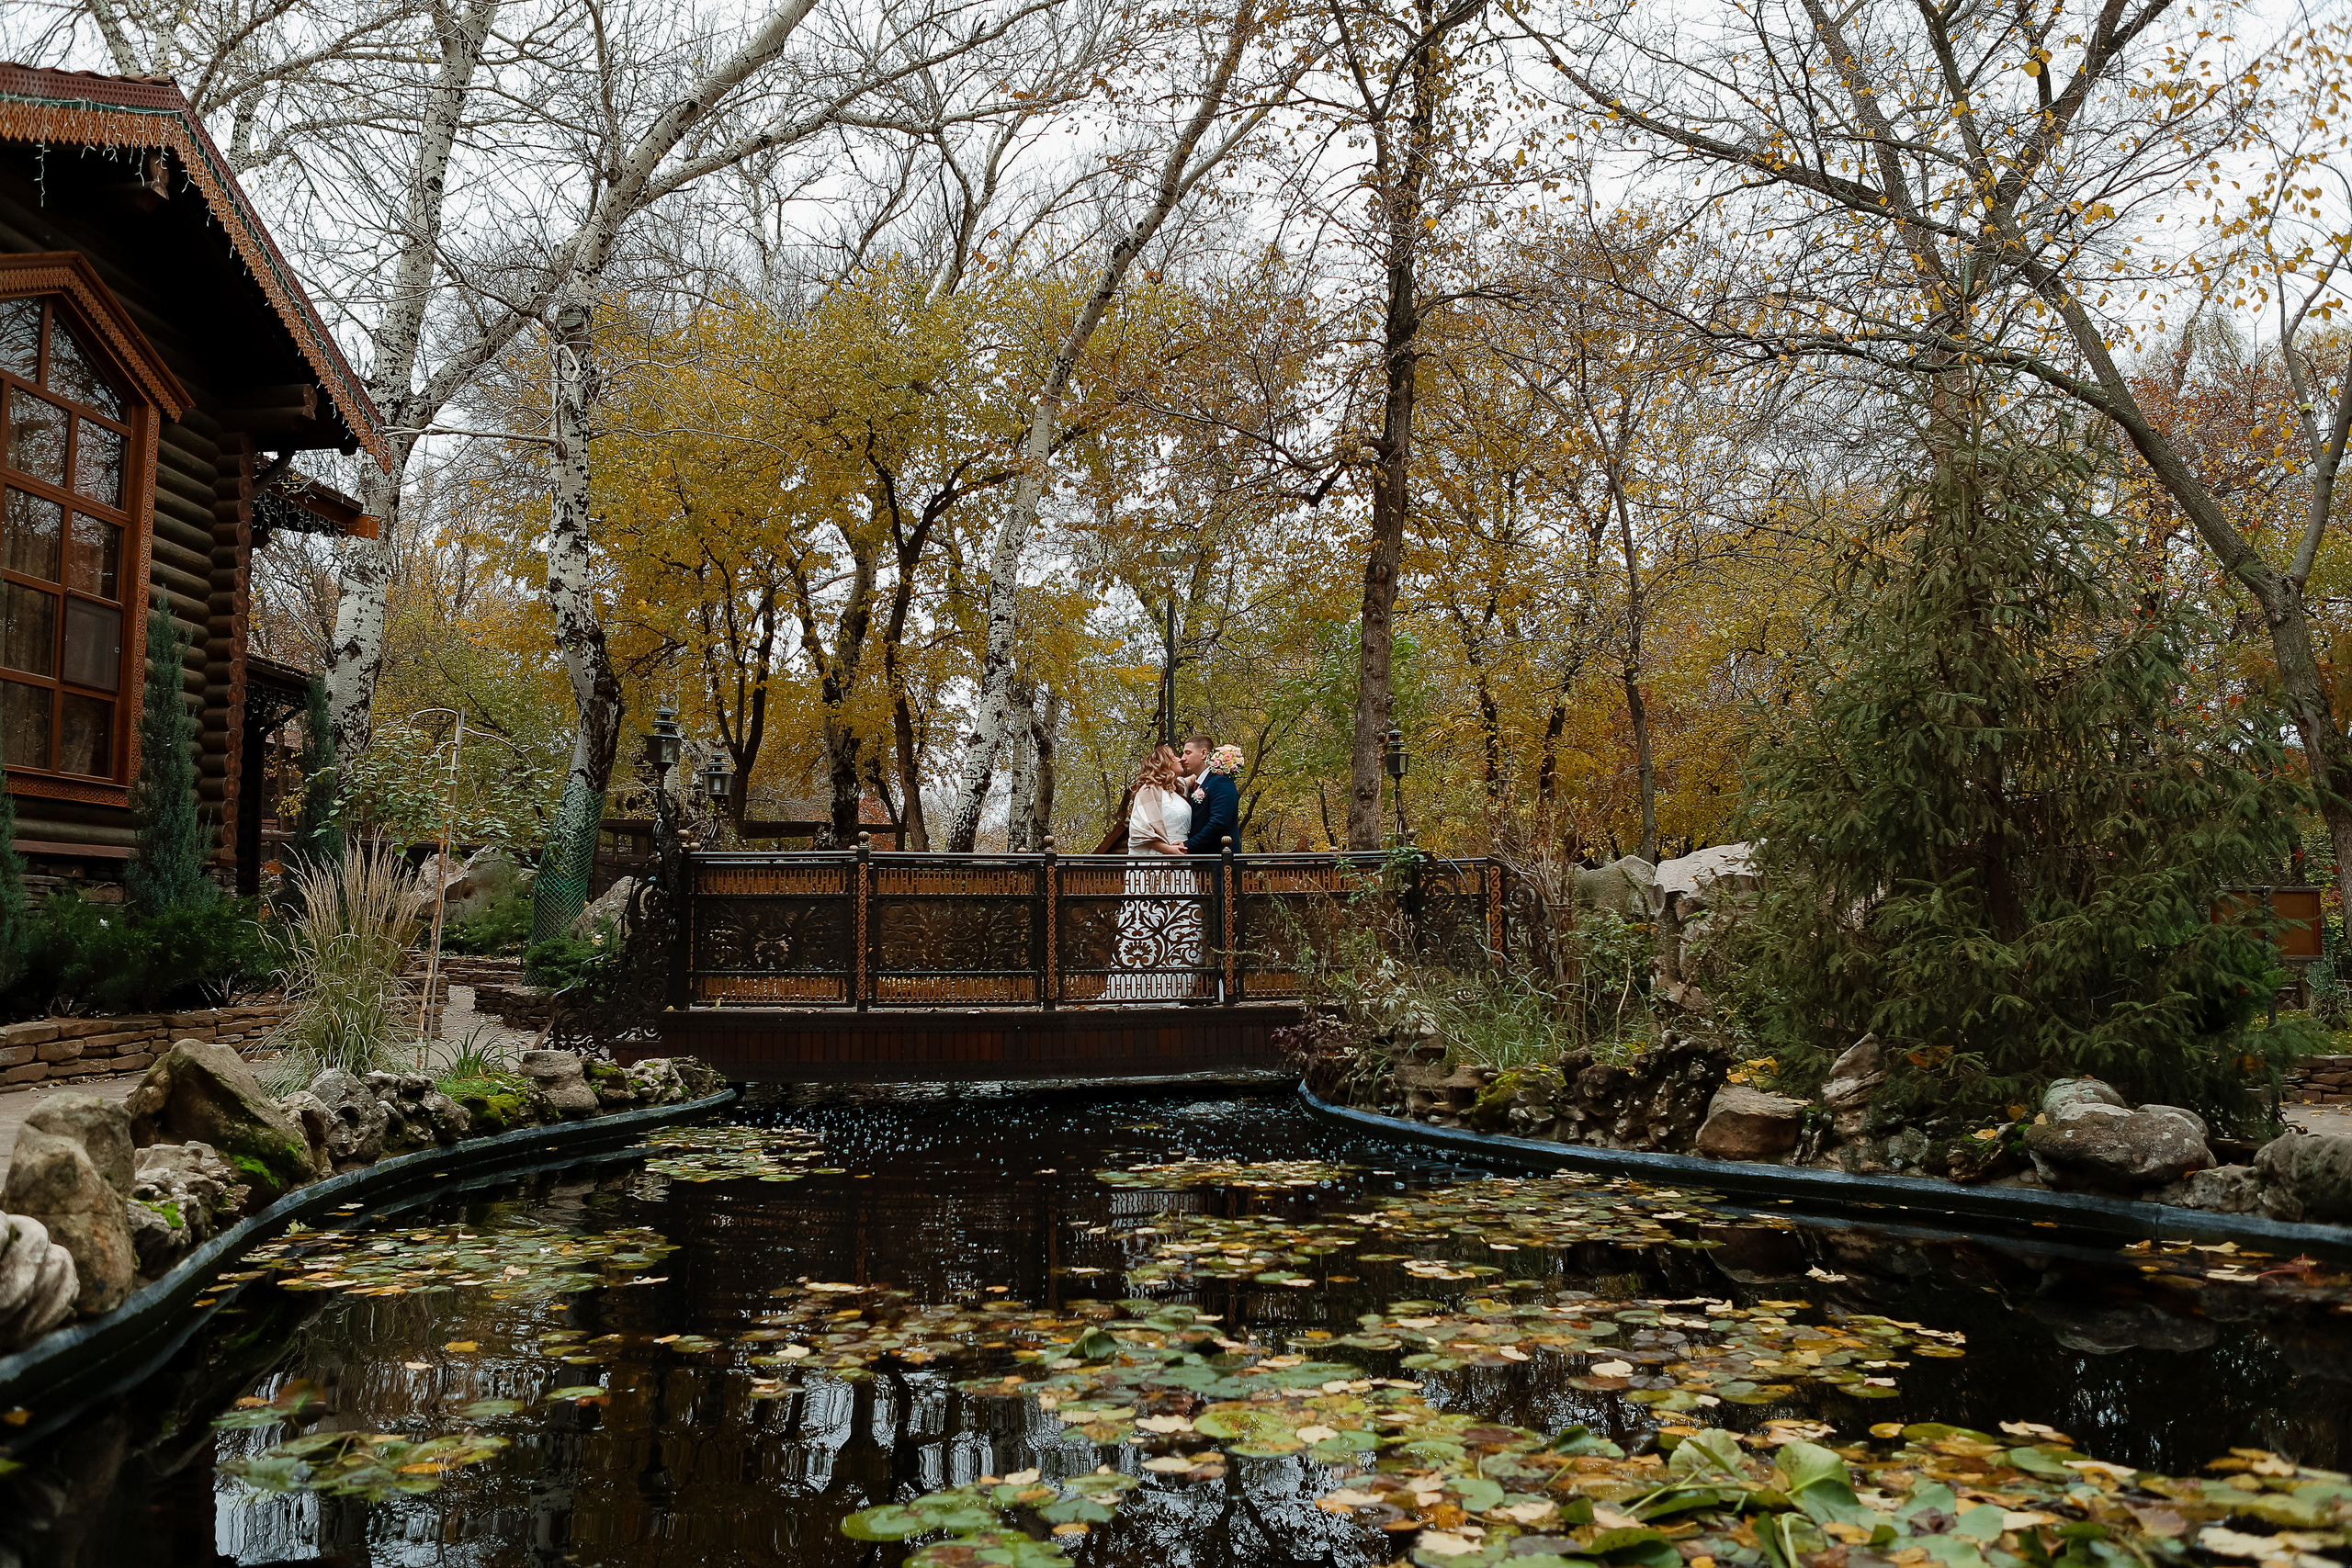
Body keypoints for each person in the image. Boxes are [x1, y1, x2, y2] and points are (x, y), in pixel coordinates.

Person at [1101, 745, 1204, 1001]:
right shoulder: (1148, 791)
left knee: (1183, 927)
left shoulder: (1178, 790)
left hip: (1181, 867)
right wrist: (1169, 850)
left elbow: (1195, 776)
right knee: (1150, 925)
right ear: (1163, 764)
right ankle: (1141, 992)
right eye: (1174, 757)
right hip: (1157, 865)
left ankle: (1175, 992)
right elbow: (1140, 832)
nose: (1180, 759)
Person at [1180, 734, 1242, 857]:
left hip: (1221, 865)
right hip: (1203, 864)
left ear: (1203, 754)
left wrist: (1189, 845)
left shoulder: (1220, 782)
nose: (1182, 758)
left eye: (1188, 753)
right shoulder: (1199, 784)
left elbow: (1219, 822)